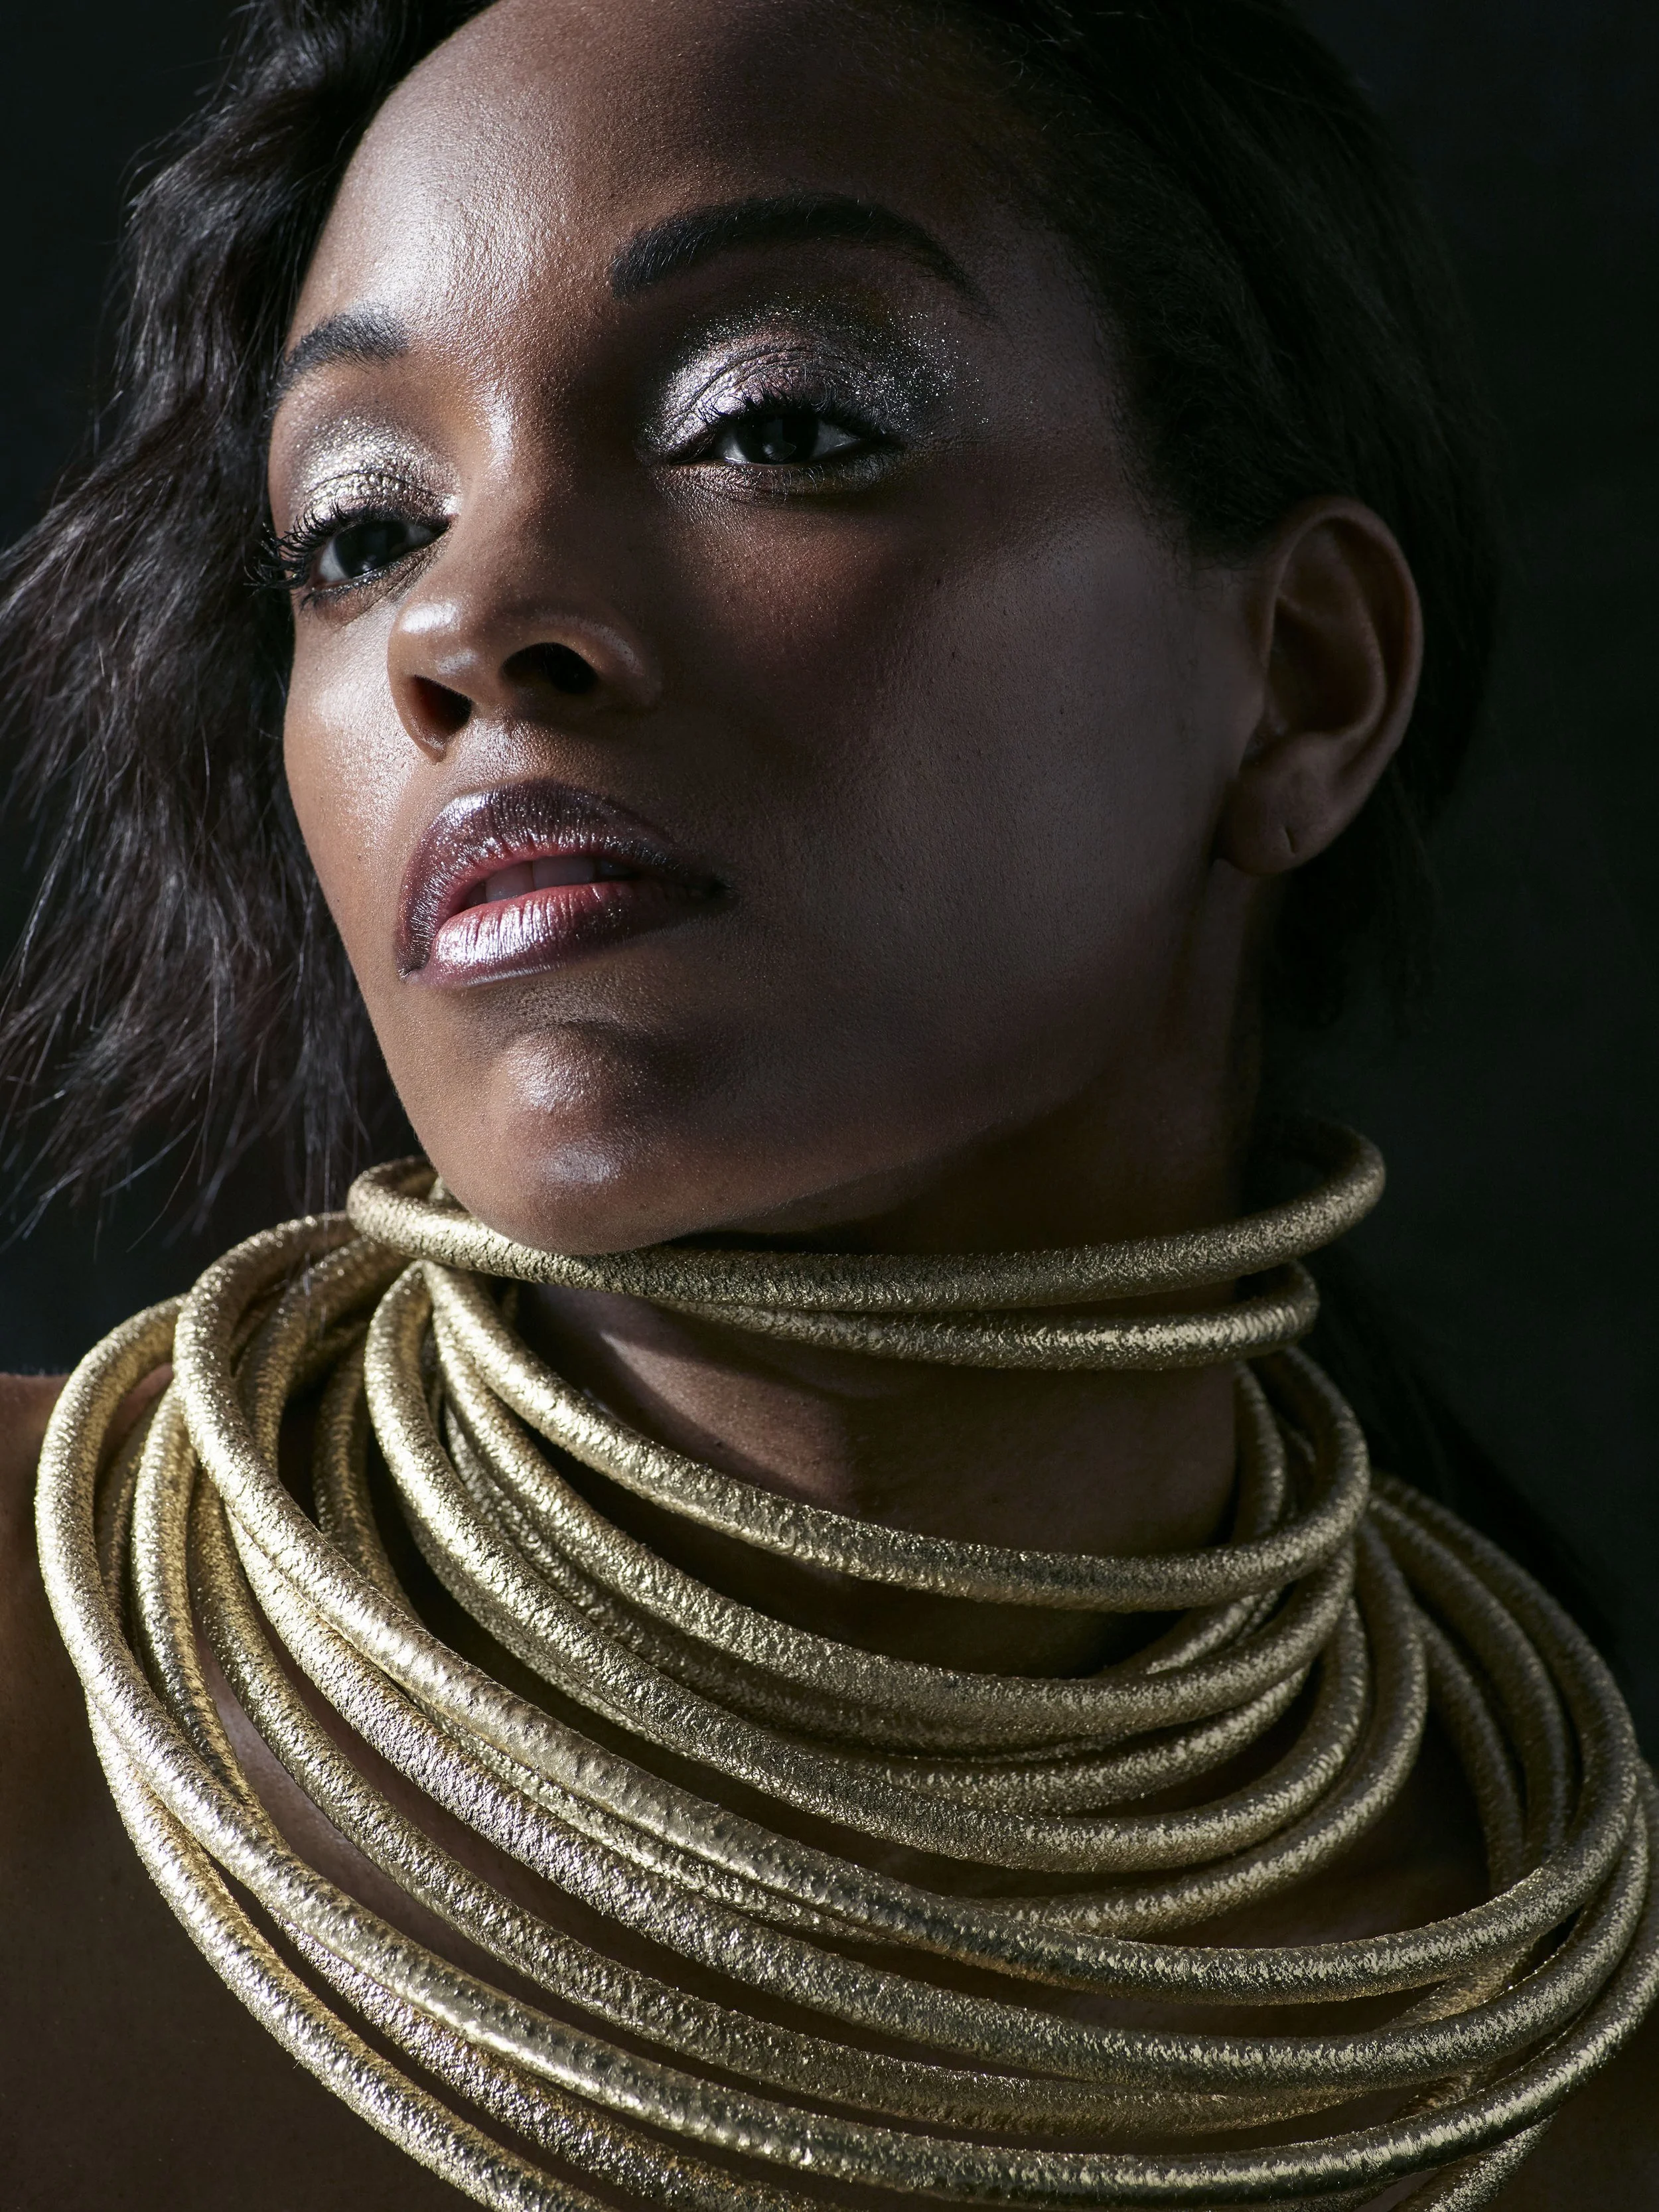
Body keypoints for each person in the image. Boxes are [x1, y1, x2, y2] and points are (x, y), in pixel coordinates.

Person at [0, 0, 1652, 2205]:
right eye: (360, 527)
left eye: (769, 421)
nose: (468, 621)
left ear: (1300, 681)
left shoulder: (1551, 2041)